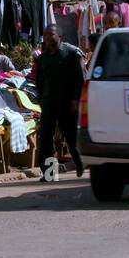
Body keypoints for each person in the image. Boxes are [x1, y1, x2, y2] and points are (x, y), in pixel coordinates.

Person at [36, 24, 85, 179]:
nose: (48, 37)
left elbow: (79, 79)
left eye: (51, 34)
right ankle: (49, 174)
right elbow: (39, 81)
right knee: (45, 139)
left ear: (59, 37)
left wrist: (75, 99)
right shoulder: (42, 59)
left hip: (67, 104)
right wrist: (41, 100)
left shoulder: (71, 54)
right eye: (45, 35)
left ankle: (80, 162)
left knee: (70, 137)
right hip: (49, 103)